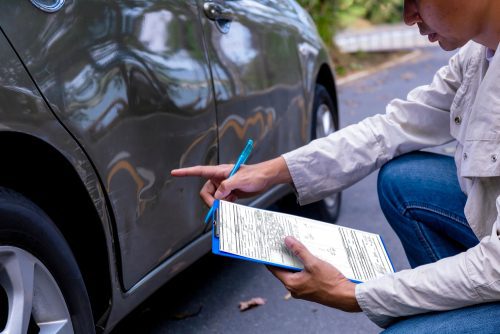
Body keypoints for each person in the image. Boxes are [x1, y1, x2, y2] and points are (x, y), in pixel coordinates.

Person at [171, 0, 500, 331]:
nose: (408, 16)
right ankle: (454, 312)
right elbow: (390, 128)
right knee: (404, 180)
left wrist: (353, 293)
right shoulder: (477, 57)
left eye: (414, 0)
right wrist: (269, 172)